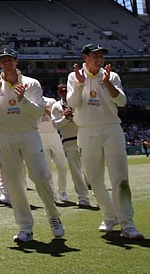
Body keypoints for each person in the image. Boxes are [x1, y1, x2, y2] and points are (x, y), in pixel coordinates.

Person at [0, 48, 64, 243]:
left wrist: (23, 100)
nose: (7, 63)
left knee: (40, 176)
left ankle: (53, 215)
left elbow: (38, 113)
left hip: (29, 134)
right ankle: (25, 227)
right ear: (0, 64)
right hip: (6, 136)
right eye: (3, 61)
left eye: (10, 60)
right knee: (14, 183)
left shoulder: (31, 83)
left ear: (16, 61)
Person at [67, 43, 144, 240]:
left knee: (120, 178)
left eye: (101, 56)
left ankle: (128, 224)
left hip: (111, 128)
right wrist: (80, 84)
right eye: (95, 56)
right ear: (85, 57)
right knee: (93, 178)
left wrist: (108, 83)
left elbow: (122, 102)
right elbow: (73, 103)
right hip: (86, 130)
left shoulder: (112, 76)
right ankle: (109, 216)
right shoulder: (74, 77)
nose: (99, 59)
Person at [50, 82, 91, 208]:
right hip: (69, 141)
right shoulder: (56, 106)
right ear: (58, 93)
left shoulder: (79, 102)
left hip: (85, 139)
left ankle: (97, 192)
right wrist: (65, 118)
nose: (64, 93)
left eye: (66, 90)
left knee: (91, 170)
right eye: (62, 91)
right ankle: (83, 197)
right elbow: (56, 124)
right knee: (76, 171)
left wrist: (73, 115)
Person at [38, 94, 69, 203]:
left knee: (63, 165)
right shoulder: (30, 101)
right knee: (47, 169)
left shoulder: (51, 101)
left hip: (53, 135)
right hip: (40, 136)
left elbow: (57, 117)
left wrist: (45, 111)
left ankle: (62, 190)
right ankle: (52, 194)